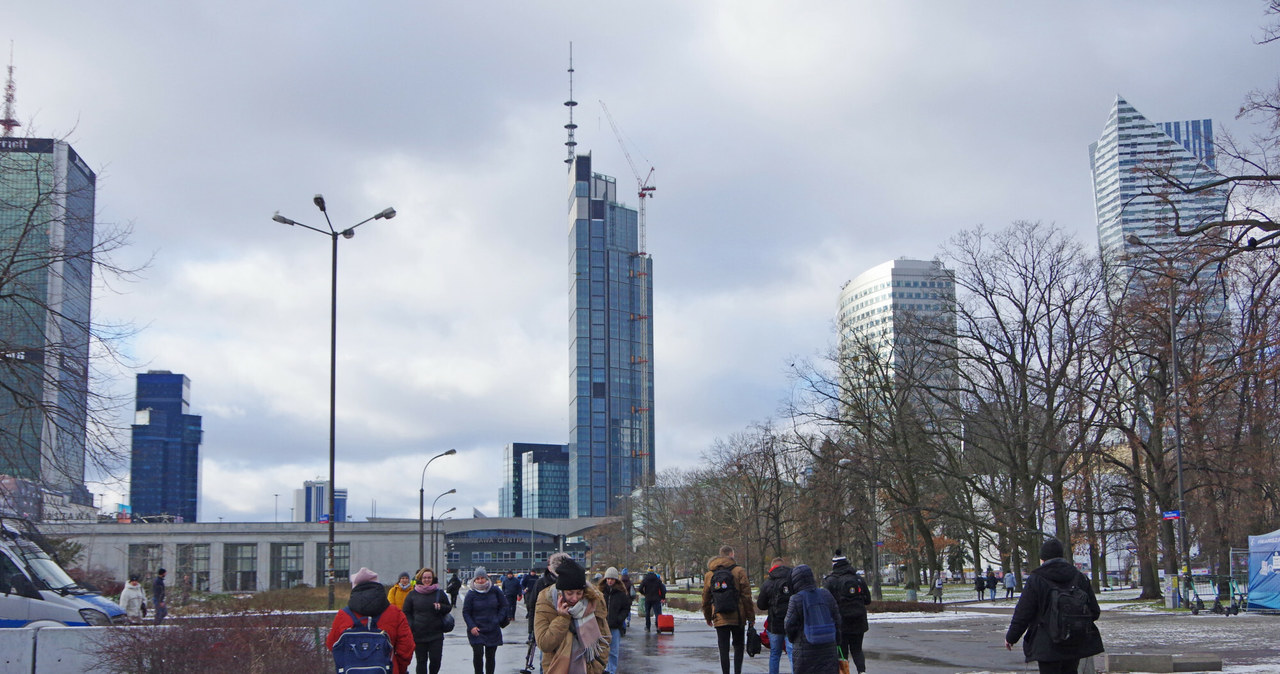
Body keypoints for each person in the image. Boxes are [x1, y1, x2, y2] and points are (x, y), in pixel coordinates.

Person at [1004, 539, 1105, 674]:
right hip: (1073, 641)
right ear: (1061, 556)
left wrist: (1011, 637)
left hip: (1047, 644)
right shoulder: (1078, 577)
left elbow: (1023, 612)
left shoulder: (1036, 579)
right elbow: (1094, 611)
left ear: (1042, 558)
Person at [326, 567, 415, 674]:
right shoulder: (395, 613)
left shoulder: (343, 615)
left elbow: (332, 644)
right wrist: (397, 669)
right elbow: (406, 648)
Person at [533, 558, 610, 673]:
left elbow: (605, 638)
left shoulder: (593, 600)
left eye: (579, 593)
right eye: (570, 593)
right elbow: (544, 644)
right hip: (557, 669)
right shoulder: (546, 601)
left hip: (589, 669)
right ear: (561, 591)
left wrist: (598, 666)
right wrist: (562, 619)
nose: (575, 598)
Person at [701, 545, 755, 674]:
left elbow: (705, 598)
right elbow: (746, 596)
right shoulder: (739, 571)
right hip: (738, 615)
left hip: (719, 616)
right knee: (738, 647)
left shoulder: (710, 574)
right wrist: (750, 617)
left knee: (723, 648)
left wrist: (708, 616)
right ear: (731, 554)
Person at [785, 564, 841, 674]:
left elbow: (789, 625)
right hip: (828, 649)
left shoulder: (796, 599)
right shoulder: (826, 595)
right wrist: (837, 641)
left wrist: (794, 640)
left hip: (804, 652)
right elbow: (837, 620)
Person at [824, 550, 870, 674]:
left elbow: (826, 602)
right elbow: (868, 600)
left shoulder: (831, 581)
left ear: (834, 564)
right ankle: (862, 671)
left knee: (842, 652)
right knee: (857, 650)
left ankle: (844, 672)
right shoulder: (858, 579)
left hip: (841, 623)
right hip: (858, 621)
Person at [403, 567, 451, 674]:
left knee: (436, 660)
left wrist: (441, 607)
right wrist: (411, 625)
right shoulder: (412, 594)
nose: (427, 580)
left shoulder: (439, 593)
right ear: (420, 578)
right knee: (421, 661)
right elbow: (406, 612)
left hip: (436, 634)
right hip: (419, 634)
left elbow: (448, 607)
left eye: (429, 577)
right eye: (424, 578)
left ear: (433, 578)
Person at [462, 567, 508, 674]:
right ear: (474, 580)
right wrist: (471, 626)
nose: (480, 580)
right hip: (476, 630)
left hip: (492, 628)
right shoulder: (471, 594)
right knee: (478, 655)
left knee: (490, 657)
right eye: (478, 578)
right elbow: (466, 612)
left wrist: (498, 619)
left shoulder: (495, 591)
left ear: (487, 578)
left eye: (482, 578)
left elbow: (504, 605)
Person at [756, 556, 794, 674]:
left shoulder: (768, 583)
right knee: (792, 653)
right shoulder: (792, 580)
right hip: (791, 623)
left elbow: (761, 605)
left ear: (772, 567)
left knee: (775, 654)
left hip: (775, 624)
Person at [599, 567, 632, 674]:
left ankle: (611, 671)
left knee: (613, 651)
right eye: (608, 579)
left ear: (616, 580)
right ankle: (602, 669)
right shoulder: (600, 592)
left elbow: (626, 608)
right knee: (601, 650)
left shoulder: (621, 594)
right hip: (602, 626)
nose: (609, 581)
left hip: (615, 626)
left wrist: (619, 619)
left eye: (612, 579)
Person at [638, 566, 667, 631]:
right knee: (657, 613)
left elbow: (640, 589)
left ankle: (648, 627)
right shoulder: (657, 580)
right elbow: (663, 589)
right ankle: (658, 626)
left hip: (648, 598)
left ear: (648, 572)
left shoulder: (645, 580)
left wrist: (644, 593)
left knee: (647, 613)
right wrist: (662, 597)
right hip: (656, 599)